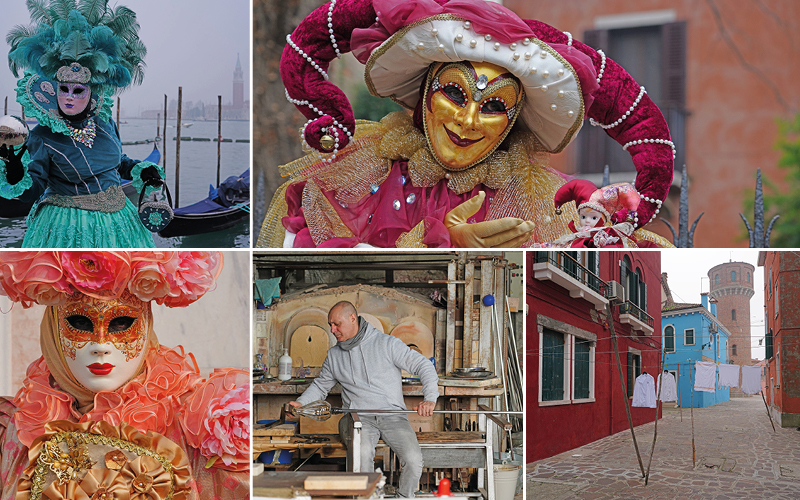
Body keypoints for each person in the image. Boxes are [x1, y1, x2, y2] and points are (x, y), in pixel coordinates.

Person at [257, 0, 673, 248]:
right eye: (454, 93)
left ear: (514, 121)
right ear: (424, 92)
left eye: (493, 105)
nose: (468, 119)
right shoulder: (353, 181)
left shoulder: (543, 204)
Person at [0, 251, 249, 500]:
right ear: (53, 328)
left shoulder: (200, 424)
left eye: (121, 324)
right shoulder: (16, 426)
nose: (101, 345)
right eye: (80, 323)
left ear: (146, 324)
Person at [0, 0, 165, 248]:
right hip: (67, 228)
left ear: (91, 92)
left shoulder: (104, 122)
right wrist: (15, 175)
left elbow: (117, 161)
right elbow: (33, 190)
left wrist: (142, 170)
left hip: (121, 223)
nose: (68, 96)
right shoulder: (43, 136)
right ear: (53, 90)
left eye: (78, 90)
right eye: (63, 89)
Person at [289, 301, 439, 497]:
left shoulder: (387, 343)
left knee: (413, 459)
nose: (332, 330)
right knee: (362, 456)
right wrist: (301, 403)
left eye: (337, 324)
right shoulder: (334, 356)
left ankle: (404, 497)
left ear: (353, 318)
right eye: (330, 325)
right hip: (357, 418)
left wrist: (430, 398)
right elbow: (320, 386)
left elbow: (424, 366)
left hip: (392, 415)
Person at [548, 179, 640, 248]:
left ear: (603, 219)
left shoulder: (603, 237)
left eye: (594, 218)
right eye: (583, 217)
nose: (587, 221)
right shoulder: (575, 236)